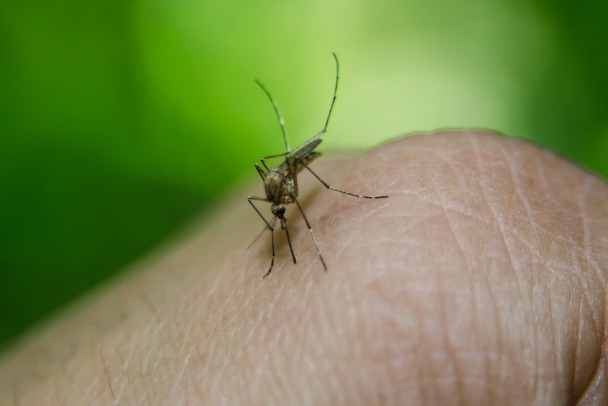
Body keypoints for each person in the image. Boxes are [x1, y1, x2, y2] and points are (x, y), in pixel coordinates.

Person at [0, 130, 606, 405]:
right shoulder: (268, 194)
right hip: (282, 171)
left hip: (298, 157)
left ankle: (343, 208)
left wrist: (306, 212)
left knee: (307, 197)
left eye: (279, 194)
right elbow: (267, 200)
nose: (277, 199)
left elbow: (288, 181)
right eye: (277, 197)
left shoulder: (291, 177)